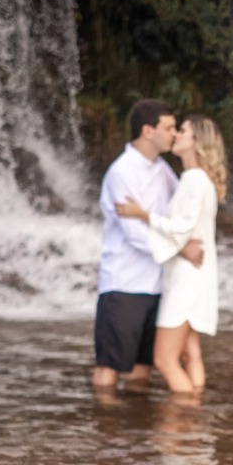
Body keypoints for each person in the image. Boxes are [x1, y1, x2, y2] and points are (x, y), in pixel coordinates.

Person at [93, 99, 203, 391]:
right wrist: (182, 248)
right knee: (109, 368)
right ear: (147, 131)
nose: (174, 133)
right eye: (168, 127)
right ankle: (104, 432)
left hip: (156, 283)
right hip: (124, 284)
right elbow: (133, 234)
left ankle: (134, 431)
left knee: (141, 368)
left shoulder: (162, 169)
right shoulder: (122, 172)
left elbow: (177, 213)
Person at [115, 115, 225, 393]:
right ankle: (196, 415)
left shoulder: (193, 180)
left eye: (183, 131)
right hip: (199, 277)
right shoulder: (198, 179)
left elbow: (180, 230)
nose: (176, 135)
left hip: (186, 281)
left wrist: (142, 215)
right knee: (190, 353)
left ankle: (186, 415)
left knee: (164, 359)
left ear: (197, 141)